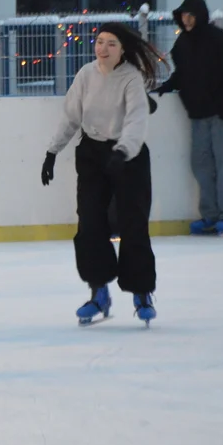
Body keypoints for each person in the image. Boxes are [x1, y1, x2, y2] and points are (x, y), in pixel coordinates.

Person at [41, 22, 164, 327]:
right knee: (90, 224)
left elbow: (137, 120)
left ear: (122, 50)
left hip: (129, 157)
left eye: (111, 43)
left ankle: (141, 292)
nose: (103, 48)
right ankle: (99, 293)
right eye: (99, 42)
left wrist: (123, 151)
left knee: (134, 224)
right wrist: (52, 151)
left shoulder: (131, 79)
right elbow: (70, 116)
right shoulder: (85, 75)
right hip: (93, 155)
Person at [153, 0, 223, 236]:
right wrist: (168, 85)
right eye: (183, 16)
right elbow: (184, 74)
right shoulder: (183, 43)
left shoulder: (220, 39)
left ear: (200, 16)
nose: (186, 20)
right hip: (198, 115)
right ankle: (210, 215)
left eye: (190, 16)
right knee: (201, 165)